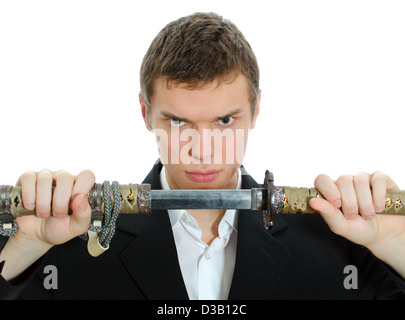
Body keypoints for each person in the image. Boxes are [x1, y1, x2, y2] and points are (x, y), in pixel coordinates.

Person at [0, 12, 404, 300]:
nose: (203, 149)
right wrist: (24, 246)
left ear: (256, 109)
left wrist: (396, 246)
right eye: (177, 122)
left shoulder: (338, 247)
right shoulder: (66, 244)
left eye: (225, 120)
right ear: (145, 113)